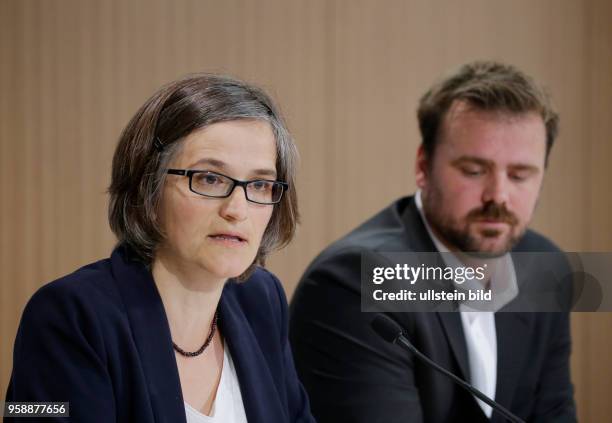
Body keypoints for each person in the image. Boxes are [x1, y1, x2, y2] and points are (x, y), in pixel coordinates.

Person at [6, 74, 315, 423]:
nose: (237, 209)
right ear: (148, 189)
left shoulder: (260, 299)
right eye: (209, 179)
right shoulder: (72, 315)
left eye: (259, 184)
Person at [290, 61, 577, 422]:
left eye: (520, 174)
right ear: (423, 167)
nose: (498, 195)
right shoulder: (356, 281)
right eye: (474, 171)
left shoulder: (542, 266)